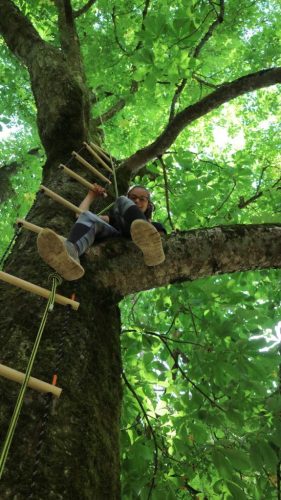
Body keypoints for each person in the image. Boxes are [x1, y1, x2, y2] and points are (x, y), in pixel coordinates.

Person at [37, 185, 166, 281]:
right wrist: (91, 195)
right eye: (132, 198)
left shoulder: (156, 226)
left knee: (121, 200)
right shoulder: (116, 220)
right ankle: (70, 254)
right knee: (99, 211)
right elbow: (81, 215)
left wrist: (151, 231)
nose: (137, 201)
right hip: (119, 234)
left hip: (144, 237)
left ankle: (148, 242)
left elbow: (163, 238)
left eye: (142, 199)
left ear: (148, 204)